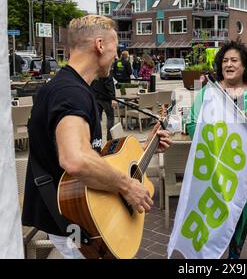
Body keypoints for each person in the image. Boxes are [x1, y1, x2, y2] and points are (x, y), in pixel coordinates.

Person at [22, 15, 172, 259]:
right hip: (76, 221)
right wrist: (127, 186)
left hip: (82, 216)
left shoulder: (72, 87)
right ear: (100, 45)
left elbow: (93, 153)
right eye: (116, 47)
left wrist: (147, 145)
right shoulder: (71, 92)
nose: (116, 54)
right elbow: (76, 159)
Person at [186, 41, 247, 259]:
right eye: (225, 60)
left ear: (244, 65)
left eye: (234, 60)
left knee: (239, 214)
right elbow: (190, 124)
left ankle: (234, 256)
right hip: (215, 168)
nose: (229, 64)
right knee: (213, 216)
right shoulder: (208, 92)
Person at [91, 70, 115, 141]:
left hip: (96, 97)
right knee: (110, 117)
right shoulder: (106, 69)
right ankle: (109, 139)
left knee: (97, 119)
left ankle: (96, 138)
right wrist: (113, 98)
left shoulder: (94, 69)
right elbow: (109, 84)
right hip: (106, 98)